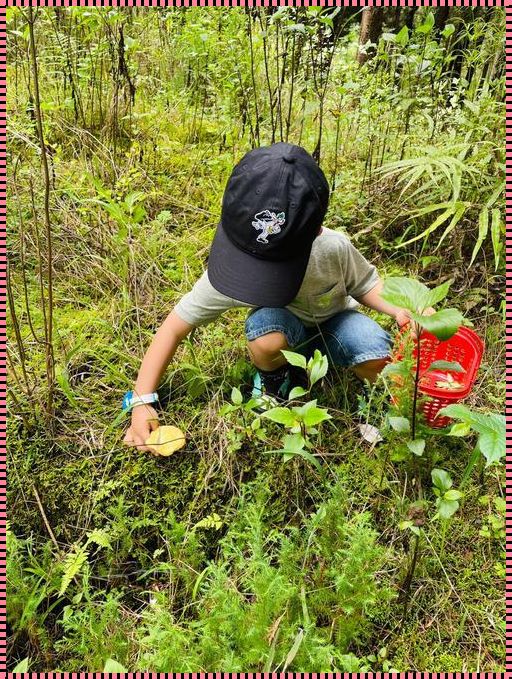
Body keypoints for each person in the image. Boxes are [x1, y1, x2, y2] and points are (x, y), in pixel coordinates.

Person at [123, 143, 416, 452]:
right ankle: (275, 380)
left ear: (315, 232)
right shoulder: (235, 268)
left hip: (336, 324)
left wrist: (400, 309)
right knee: (267, 333)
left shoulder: (332, 249)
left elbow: (366, 283)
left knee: (377, 351)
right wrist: (142, 400)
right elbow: (174, 327)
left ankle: (374, 400)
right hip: (284, 331)